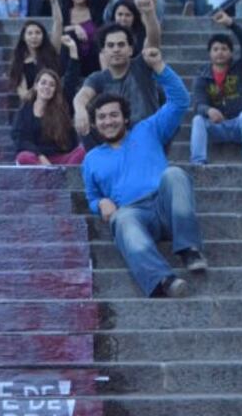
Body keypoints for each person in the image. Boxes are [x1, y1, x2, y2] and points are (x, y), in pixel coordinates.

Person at [83, 46, 206, 298]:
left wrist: (160, 67)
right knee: (122, 219)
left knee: (174, 174)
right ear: (94, 124)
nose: (109, 121)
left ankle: (188, 249)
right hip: (135, 215)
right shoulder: (91, 159)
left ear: (126, 118)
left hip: (164, 204)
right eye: (102, 117)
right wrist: (100, 204)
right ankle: (164, 280)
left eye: (114, 115)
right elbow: (92, 196)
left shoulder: (148, 129)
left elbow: (181, 101)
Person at [72, 12, 163, 139]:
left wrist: (149, 12)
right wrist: (80, 110)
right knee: (86, 129)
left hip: (147, 137)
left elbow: (153, 40)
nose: (116, 49)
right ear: (103, 51)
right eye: (110, 45)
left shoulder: (141, 66)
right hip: (117, 139)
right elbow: (82, 96)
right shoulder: (98, 78)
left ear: (130, 49)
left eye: (121, 45)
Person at [190, 12, 242, 165]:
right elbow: (198, 103)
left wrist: (232, 24)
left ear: (231, 53)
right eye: (215, 49)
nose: (220, 52)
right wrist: (208, 111)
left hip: (238, 126)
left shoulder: (241, 68)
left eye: (224, 49)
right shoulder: (202, 75)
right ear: (210, 54)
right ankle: (197, 164)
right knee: (198, 120)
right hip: (217, 127)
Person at [13, 62, 85, 166]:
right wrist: (40, 156)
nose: (47, 87)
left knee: (82, 151)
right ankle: (50, 178)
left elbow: (71, 142)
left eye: (52, 85)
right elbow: (20, 139)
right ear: (36, 86)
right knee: (23, 157)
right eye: (43, 83)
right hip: (36, 158)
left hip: (60, 159)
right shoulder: (25, 110)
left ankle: (59, 175)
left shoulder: (61, 111)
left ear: (55, 90)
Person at [60, 0, 110, 77]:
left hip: (94, 58)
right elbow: (60, 30)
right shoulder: (65, 10)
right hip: (72, 59)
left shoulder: (95, 6)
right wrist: (76, 27)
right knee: (69, 36)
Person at [7, 9, 63, 102]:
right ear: (24, 37)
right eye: (30, 33)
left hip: (54, 103)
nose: (34, 37)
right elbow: (24, 95)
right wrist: (41, 87)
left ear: (43, 36)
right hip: (33, 104)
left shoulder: (51, 52)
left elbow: (58, 23)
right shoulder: (20, 63)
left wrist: (53, 1)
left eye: (38, 33)